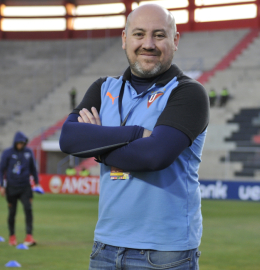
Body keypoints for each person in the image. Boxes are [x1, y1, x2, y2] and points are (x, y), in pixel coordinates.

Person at [59, 4, 209, 269]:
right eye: (139, 34)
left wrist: (96, 142)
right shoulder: (103, 88)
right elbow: (69, 139)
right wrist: (137, 134)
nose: (148, 44)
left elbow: (154, 155)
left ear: (175, 41)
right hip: (105, 247)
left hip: (165, 253)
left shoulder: (189, 93)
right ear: (124, 39)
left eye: (159, 35)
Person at [0, 131, 40, 247]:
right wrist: (2, 185)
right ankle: (12, 236)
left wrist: (36, 183)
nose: (21, 145)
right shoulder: (8, 153)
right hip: (11, 188)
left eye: (23, 143)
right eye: (19, 143)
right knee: (12, 213)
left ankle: (29, 236)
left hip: (25, 187)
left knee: (28, 209)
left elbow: (33, 169)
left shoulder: (28, 152)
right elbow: (1, 169)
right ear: (15, 142)